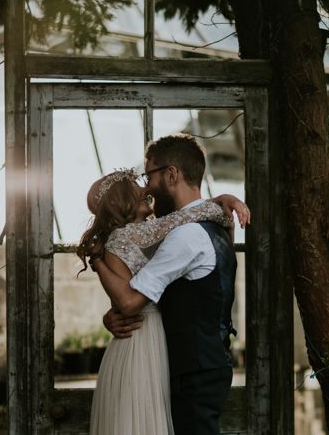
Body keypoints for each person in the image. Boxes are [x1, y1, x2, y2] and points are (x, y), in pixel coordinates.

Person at [88, 135, 244, 435]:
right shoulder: (214, 227)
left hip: (192, 369)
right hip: (193, 362)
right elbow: (138, 290)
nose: (146, 188)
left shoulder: (183, 236)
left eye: (149, 176)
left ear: (171, 174)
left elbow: (132, 301)